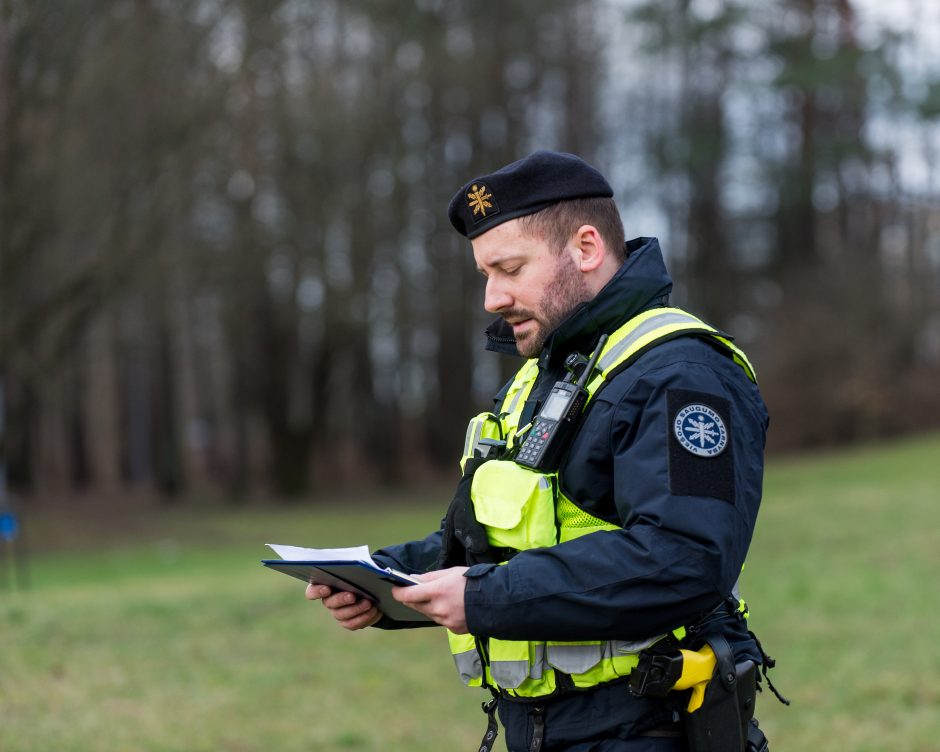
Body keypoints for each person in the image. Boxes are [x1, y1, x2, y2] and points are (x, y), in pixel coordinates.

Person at [307, 151, 780, 751]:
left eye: (509, 269)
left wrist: (481, 598)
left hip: (652, 728)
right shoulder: (544, 376)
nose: (492, 299)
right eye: (486, 274)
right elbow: (505, 540)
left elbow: (683, 559)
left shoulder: (681, 373)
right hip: (542, 731)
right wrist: (383, 582)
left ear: (585, 249)